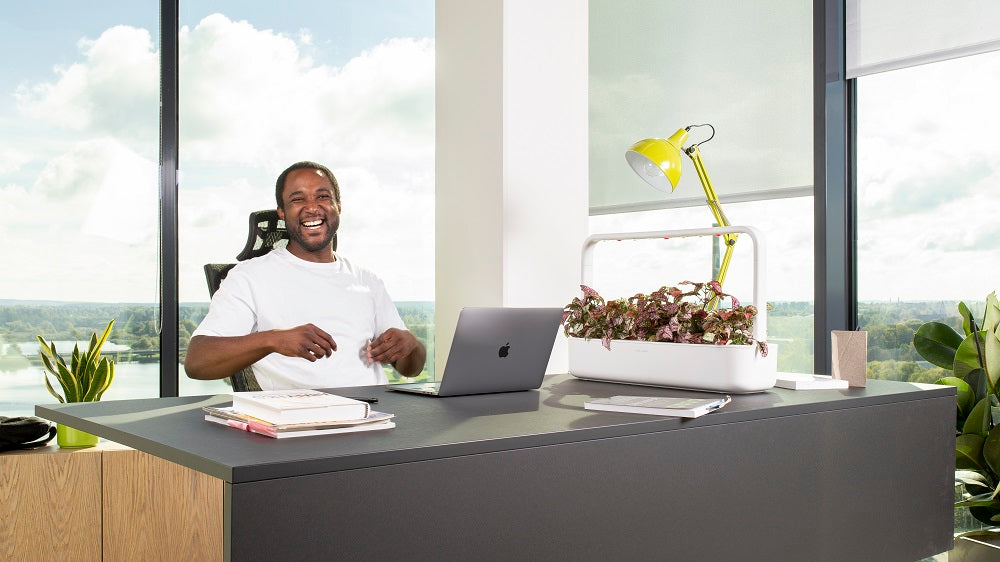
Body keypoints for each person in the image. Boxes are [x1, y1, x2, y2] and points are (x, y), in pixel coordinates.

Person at [184, 161, 426, 390]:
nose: (312, 207)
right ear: (282, 212)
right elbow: (197, 362)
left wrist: (411, 345)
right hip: (302, 422)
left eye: (322, 196)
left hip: (376, 415)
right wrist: (273, 340)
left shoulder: (367, 280)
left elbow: (411, 368)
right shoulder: (249, 277)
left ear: (338, 206)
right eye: (297, 199)